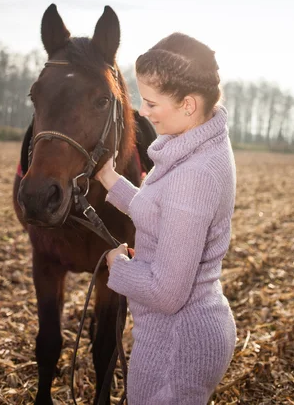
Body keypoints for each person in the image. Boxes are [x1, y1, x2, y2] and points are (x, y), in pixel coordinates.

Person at [95, 32, 237, 405]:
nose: (143, 111)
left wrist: (117, 265)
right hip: (179, 336)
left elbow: (166, 292)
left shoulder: (195, 175)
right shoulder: (200, 145)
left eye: (152, 102)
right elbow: (165, 214)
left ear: (188, 104)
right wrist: (112, 180)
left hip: (176, 346)